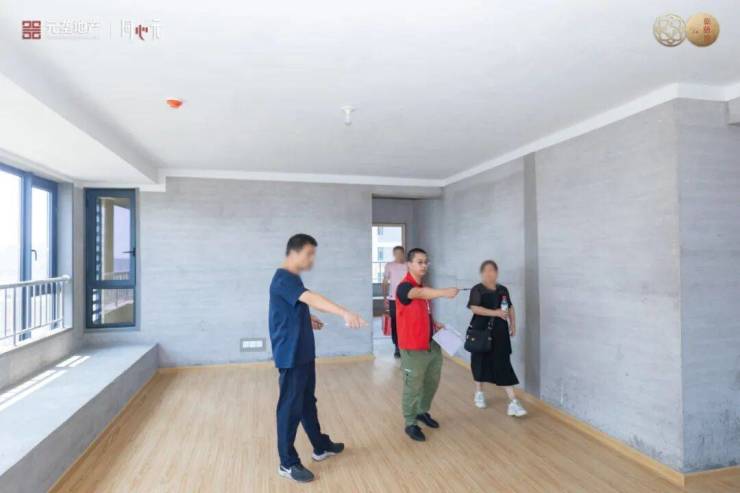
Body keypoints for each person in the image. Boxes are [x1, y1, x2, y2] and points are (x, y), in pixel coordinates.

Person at [269, 233, 367, 483]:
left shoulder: (292, 279)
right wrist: (344, 312)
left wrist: (306, 318)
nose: (312, 259)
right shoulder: (284, 277)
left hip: (302, 352)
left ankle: (320, 446)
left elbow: (291, 307)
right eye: (309, 254)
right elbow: (311, 297)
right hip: (290, 355)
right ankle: (287, 463)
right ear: (294, 252)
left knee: (306, 402)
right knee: (290, 407)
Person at [395, 248, 459, 441]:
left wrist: (433, 324)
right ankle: (410, 423)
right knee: (413, 386)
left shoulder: (423, 287)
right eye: (420, 262)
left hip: (431, 344)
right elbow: (418, 293)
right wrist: (444, 292)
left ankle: (422, 412)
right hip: (412, 348)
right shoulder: (404, 287)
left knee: (431, 382)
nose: (424, 265)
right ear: (409, 264)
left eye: (426, 262)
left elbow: (420, 310)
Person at [466, 260, 527, 417]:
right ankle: (479, 393)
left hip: (500, 332)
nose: (489, 273)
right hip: (481, 332)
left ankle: (513, 402)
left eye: (492, 270)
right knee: (479, 362)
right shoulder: (477, 289)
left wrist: (513, 324)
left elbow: (510, 307)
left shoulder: (502, 290)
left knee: (503, 363)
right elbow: (474, 308)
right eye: (486, 270)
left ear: (497, 272)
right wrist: (496, 313)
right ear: (481, 273)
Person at [382, 245, 407, 358]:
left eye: (400, 253)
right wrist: (385, 297)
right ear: (393, 254)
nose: (398, 255)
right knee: (395, 323)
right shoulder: (389, 265)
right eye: (396, 253)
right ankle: (397, 346)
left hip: (407, 298)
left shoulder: (408, 265)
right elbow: (385, 282)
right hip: (393, 299)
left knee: (407, 322)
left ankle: (406, 345)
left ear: (403, 253)